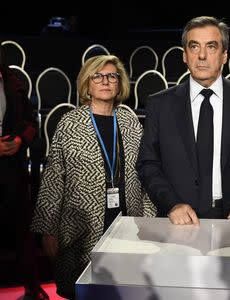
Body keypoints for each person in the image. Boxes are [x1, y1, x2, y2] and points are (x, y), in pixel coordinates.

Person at [30, 55, 156, 299]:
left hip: (127, 220)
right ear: (87, 84)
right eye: (97, 76)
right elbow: (54, 178)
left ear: (120, 84)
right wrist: (48, 229)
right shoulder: (70, 123)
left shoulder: (130, 121)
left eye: (112, 76)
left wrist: (149, 219)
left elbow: (144, 173)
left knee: (124, 290)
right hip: (81, 225)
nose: (105, 81)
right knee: (85, 290)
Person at [136, 16, 230, 225]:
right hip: (178, 221)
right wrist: (172, 204)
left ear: (224, 55)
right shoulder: (160, 104)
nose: (202, 56)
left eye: (211, 47)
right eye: (194, 47)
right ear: (185, 55)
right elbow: (148, 164)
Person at [0, 45, 49, 300]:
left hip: (12, 168)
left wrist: (20, 140)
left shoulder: (12, 81)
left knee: (24, 230)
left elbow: (31, 120)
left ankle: (32, 287)